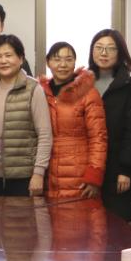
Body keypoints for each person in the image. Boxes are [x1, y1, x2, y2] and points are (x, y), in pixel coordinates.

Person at [0, 34, 53, 196]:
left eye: (8, 55)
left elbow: (45, 134)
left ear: (20, 59)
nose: (3, 61)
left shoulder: (33, 89)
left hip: (23, 177)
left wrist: (38, 173)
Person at [87, 29, 131, 222]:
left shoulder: (129, 86)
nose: (104, 53)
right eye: (99, 48)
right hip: (87, 167)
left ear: (120, 53)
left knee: (115, 225)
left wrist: (126, 170)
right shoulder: (83, 83)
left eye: (111, 49)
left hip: (117, 169)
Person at [38, 42, 107, 200]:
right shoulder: (40, 92)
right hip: (47, 173)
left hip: (79, 174)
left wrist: (94, 176)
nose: (63, 65)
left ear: (75, 62)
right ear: (48, 62)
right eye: (57, 59)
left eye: (68, 59)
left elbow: (98, 137)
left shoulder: (88, 93)